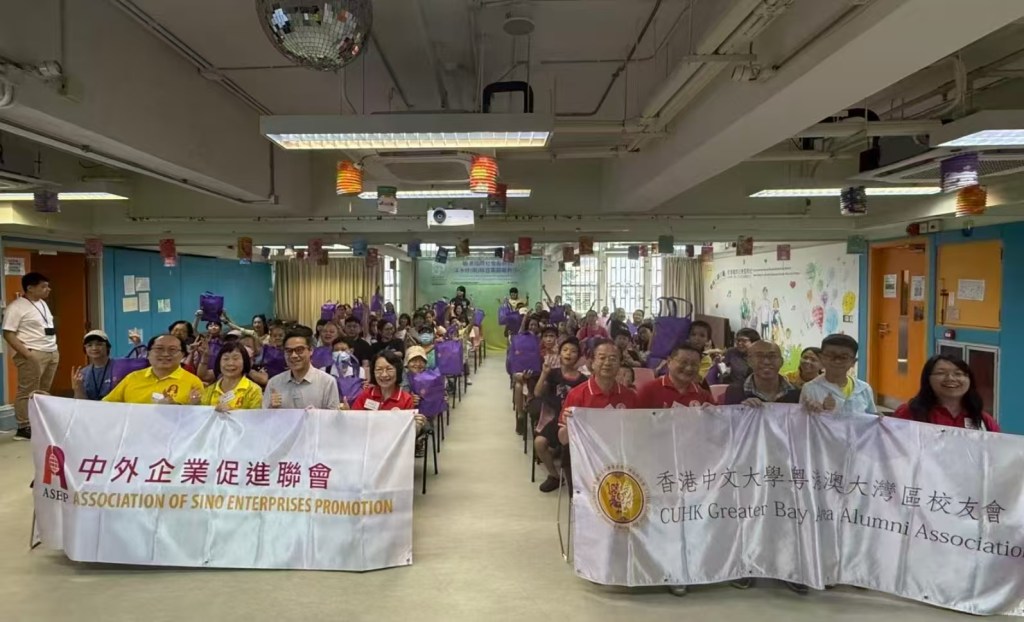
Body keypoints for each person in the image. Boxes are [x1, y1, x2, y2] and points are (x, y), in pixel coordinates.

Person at [3, 272, 59, 439]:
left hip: (50, 351)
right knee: (27, 390)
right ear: (30, 288)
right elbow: (8, 333)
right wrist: (28, 354)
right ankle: (23, 426)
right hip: (32, 353)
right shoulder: (16, 307)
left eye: (47, 286)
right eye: (43, 286)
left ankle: (38, 422)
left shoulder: (42, 303)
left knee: (43, 390)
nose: (48, 289)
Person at [534, 338, 587, 493]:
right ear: (559, 354)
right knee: (539, 443)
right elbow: (537, 393)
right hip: (557, 419)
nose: (568, 353)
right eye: (565, 350)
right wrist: (544, 374)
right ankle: (555, 476)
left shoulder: (583, 380)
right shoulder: (553, 374)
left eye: (573, 351)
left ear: (578, 357)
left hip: (576, 423)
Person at [893, 355, 999, 431]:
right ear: (927, 379)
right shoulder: (910, 413)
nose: (951, 378)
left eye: (958, 374)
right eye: (941, 373)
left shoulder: (982, 419)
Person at [103, 334, 204, 405]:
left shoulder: (193, 382)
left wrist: (176, 408)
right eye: (159, 349)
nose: (165, 354)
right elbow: (106, 406)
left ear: (182, 355)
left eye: (172, 350)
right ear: (148, 354)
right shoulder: (132, 378)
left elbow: (199, 418)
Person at [343, 350, 425, 432]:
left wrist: (416, 427)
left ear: (398, 371)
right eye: (379, 369)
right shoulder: (366, 395)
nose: (384, 374)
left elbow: (407, 433)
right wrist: (347, 415)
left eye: (389, 369)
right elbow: (355, 425)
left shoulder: (406, 399)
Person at [263, 329, 340, 410]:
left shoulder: (327, 382)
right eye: (289, 351)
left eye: (299, 350)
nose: (294, 355)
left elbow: (334, 416)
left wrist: (317, 414)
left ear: (311, 350)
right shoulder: (274, 383)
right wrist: (271, 410)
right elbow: (264, 416)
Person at [801, 334, 877, 415]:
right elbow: (801, 418)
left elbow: (872, 416)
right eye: (831, 355)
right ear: (822, 358)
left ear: (853, 362)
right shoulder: (810, 389)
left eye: (844, 357)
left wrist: (880, 418)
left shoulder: (864, 389)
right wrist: (813, 410)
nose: (837, 361)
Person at [724, 341, 801, 407]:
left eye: (772, 356)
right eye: (759, 356)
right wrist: (741, 409)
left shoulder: (796, 393)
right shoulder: (735, 391)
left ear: (781, 362)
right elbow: (729, 418)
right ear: (749, 361)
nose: (766, 362)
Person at [637, 344, 714, 408]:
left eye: (694, 364)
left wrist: (713, 413)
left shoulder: (704, 395)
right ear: (669, 362)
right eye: (683, 362)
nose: (689, 368)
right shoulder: (648, 390)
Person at [192, 341, 263, 411]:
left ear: (244, 362)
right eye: (226, 359)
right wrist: (195, 404)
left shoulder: (254, 390)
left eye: (235, 358)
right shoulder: (209, 391)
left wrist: (232, 413)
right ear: (219, 362)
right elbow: (203, 415)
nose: (230, 363)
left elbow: (255, 417)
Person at [72, 330, 114, 401]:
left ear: (107, 347)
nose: (94, 348)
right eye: (89, 345)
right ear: (85, 349)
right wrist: (78, 388)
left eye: (99, 344)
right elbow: (80, 403)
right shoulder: (83, 374)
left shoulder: (118, 367)